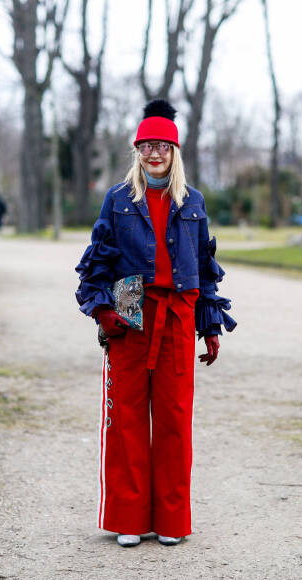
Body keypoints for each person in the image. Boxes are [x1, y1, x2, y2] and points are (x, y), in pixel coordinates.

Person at [75, 99, 237, 547]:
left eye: (163, 145)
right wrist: (105, 310)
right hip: (130, 310)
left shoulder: (193, 201)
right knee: (126, 416)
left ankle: (170, 522)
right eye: (146, 145)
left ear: (175, 151)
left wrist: (209, 324)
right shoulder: (118, 199)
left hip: (178, 315)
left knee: (174, 417)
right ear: (136, 150)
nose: (154, 153)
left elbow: (205, 268)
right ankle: (129, 519)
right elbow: (97, 262)